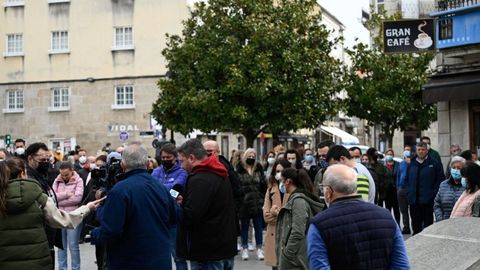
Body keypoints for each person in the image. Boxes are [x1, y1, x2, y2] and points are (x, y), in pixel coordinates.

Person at [91, 142, 181, 270]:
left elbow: (111, 230)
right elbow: (176, 216)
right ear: (147, 164)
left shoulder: (120, 191)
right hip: (159, 261)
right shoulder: (160, 188)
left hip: (130, 261)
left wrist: (95, 233)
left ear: (123, 164)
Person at [0, 157, 102, 270]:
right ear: (23, 173)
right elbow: (64, 220)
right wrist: (87, 208)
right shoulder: (39, 197)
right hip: (37, 260)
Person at [307, 164, 409, 269]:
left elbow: (319, 266)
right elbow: (401, 265)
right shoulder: (386, 217)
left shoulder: (319, 224)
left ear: (328, 191)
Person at [176, 139, 237, 270]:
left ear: (191, 158)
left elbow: (191, 215)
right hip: (223, 247)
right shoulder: (219, 172)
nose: (181, 166)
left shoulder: (200, 179)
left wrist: (176, 207)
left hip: (206, 251)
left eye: (182, 161)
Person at [275, 168, 323, 269]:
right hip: (296, 257)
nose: (281, 184)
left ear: (288, 181)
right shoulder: (295, 198)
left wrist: (288, 253)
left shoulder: (298, 201)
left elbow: (298, 230)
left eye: (282, 181)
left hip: (295, 260)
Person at [151, 143, 188, 270]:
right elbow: (150, 190)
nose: (166, 160)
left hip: (173, 221)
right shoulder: (156, 171)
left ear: (175, 157)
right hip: (157, 219)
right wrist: (167, 190)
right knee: (158, 256)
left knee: (178, 256)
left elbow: (176, 190)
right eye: (163, 157)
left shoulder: (182, 171)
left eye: (169, 157)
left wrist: (160, 191)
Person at [26, 142, 61, 266]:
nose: (46, 162)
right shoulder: (28, 179)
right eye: (42, 159)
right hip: (38, 239)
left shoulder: (42, 176)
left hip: (47, 237)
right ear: (30, 158)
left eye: (48, 159)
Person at [405, 141, 445, 235]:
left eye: (423, 149)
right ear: (416, 150)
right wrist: (408, 193)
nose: (421, 151)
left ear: (427, 150)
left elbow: (440, 180)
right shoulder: (412, 163)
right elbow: (406, 180)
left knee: (428, 226)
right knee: (416, 226)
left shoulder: (434, 163)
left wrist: (433, 194)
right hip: (414, 201)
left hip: (428, 201)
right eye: (419, 149)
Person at [236, 148, 267, 260]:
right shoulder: (239, 170)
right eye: (249, 156)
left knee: (258, 227)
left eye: (253, 156)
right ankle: (244, 249)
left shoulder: (259, 169)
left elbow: (263, 186)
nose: (251, 158)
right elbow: (237, 186)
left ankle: (259, 249)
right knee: (244, 227)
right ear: (245, 156)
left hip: (257, 203)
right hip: (244, 204)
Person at [263, 159, 292, 270]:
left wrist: (275, 214)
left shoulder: (294, 191)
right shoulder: (270, 190)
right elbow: (266, 217)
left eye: (282, 171)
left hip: (288, 237)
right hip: (273, 236)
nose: (279, 174)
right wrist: (277, 214)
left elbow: (292, 216)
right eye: (277, 171)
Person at [434, 156, 466, 222]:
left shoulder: (467, 186)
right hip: (445, 223)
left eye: (459, 168)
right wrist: (440, 218)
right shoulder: (443, 185)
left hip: (462, 224)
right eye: (454, 168)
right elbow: (437, 204)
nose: (456, 170)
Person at [397, 145, 412, 234]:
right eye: (405, 150)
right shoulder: (401, 163)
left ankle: (414, 225)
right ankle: (406, 227)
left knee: (413, 209)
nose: (407, 151)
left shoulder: (413, 163)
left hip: (410, 189)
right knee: (403, 210)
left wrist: (409, 163)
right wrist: (398, 187)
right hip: (401, 189)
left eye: (408, 150)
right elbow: (399, 176)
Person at [384, 149, 401, 226]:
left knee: (396, 209)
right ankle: (389, 225)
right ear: (385, 155)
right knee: (388, 209)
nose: (389, 156)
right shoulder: (383, 165)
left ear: (393, 155)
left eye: (391, 154)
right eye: (388, 154)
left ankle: (398, 225)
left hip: (395, 190)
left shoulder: (397, 164)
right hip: (387, 191)